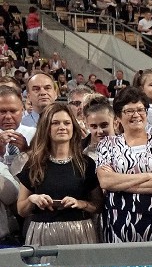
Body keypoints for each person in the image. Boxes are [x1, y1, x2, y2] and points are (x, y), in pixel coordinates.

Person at [97, 87, 152, 242]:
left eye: (141, 109)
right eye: (129, 111)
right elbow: (106, 181)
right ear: (118, 117)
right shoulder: (107, 144)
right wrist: (148, 176)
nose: (136, 115)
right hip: (118, 222)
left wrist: (120, 183)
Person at [16, 103, 102, 246]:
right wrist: (33, 199)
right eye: (55, 123)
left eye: (67, 123)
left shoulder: (86, 164)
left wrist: (80, 204)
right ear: (46, 128)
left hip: (79, 231)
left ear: (73, 127)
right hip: (42, 232)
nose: (62, 127)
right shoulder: (33, 164)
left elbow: (98, 205)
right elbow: (21, 210)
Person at [81, 96, 116, 161]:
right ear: (87, 125)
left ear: (115, 123)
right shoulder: (78, 150)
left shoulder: (129, 147)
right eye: (94, 126)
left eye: (104, 125)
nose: (99, 131)